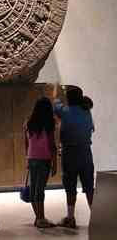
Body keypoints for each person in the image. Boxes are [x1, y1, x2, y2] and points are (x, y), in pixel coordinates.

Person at [52, 84, 95, 229]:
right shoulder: (87, 111)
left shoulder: (64, 111)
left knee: (70, 186)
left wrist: (57, 89)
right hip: (86, 153)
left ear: (68, 98)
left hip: (70, 153)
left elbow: (55, 101)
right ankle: (97, 219)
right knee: (89, 187)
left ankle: (70, 218)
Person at [24, 97, 57, 228]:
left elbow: (26, 143)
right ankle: (41, 219)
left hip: (32, 158)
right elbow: (52, 145)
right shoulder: (49, 124)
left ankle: (38, 218)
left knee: (33, 189)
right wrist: (55, 164)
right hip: (44, 159)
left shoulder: (28, 123)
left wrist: (27, 158)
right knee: (40, 189)